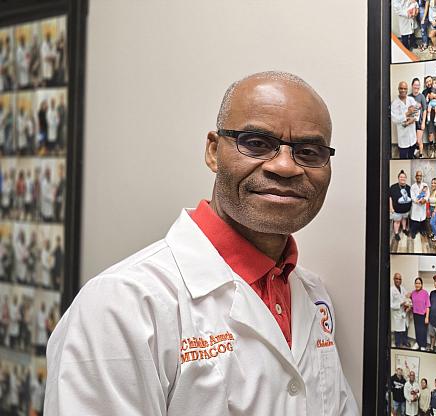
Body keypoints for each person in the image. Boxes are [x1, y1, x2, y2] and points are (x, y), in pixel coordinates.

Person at [45, 71, 357, 414]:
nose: (284, 166)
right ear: (213, 151)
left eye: (309, 151)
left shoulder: (312, 296)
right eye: (256, 143)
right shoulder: (122, 305)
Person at [393, 81, 420, 158]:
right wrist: (407, 114)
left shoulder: (411, 99)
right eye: (401, 88)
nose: (403, 90)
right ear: (398, 89)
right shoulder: (395, 103)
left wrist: (413, 120)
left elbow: (417, 111)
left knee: (411, 156)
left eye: (405, 88)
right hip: (403, 138)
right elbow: (394, 119)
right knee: (403, 157)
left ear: (407, 89)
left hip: (412, 136)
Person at [391, 170, 414, 241]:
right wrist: (391, 208)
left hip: (406, 209)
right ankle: (396, 233)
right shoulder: (393, 187)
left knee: (404, 219)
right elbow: (390, 198)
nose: (402, 178)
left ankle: (404, 229)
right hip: (396, 210)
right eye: (401, 177)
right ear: (398, 178)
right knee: (397, 221)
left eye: (404, 177)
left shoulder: (409, 188)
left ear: (406, 178)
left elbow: (411, 197)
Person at [392, 273, 412, 347]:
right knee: (398, 331)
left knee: (405, 328)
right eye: (396, 278)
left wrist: (408, 303)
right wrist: (401, 304)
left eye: (400, 279)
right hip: (397, 314)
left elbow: (407, 296)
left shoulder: (402, 288)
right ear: (394, 279)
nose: (398, 280)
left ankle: (404, 341)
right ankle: (398, 343)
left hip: (404, 312)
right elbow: (391, 305)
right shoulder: (391, 290)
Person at [411, 277, 432, 350]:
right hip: (415, 314)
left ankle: (423, 345)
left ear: (422, 284)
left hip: (423, 315)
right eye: (416, 283)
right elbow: (411, 302)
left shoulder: (425, 293)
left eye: (419, 283)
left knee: (423, 331)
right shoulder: (413, 293)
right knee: (417, 330)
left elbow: (428, 306)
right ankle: (417, 343)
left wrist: (427, 317)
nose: (417, 285)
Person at [411, 170, 430, 240]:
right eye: (417, 175)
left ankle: (422, 231)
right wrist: (417, 201)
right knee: (415, 220)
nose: (419, 177)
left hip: (422, 205)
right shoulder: (413, 186)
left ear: (422, 177)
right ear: (415, 177)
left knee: (422, 219)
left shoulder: (425, 185)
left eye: (420, 176)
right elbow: (412, 196)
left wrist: (424, 199)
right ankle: (413, 232)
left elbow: (428, 194)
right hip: (416, 206)